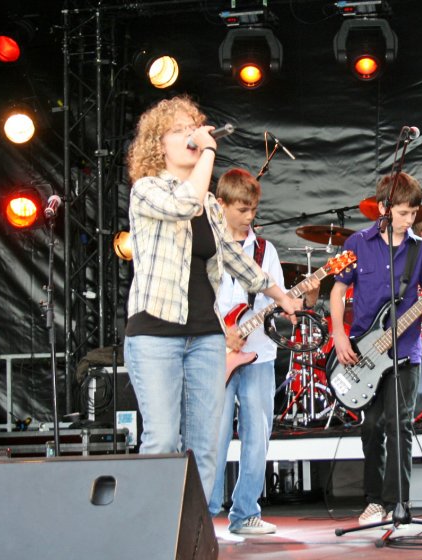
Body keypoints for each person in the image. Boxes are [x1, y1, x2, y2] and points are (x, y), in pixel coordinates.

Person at [123, 96, 302, 504]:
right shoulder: (146, 190)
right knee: (163, 439)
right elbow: (183, 204)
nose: (192, 136)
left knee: (203, 447)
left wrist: (280, 294)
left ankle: (196, 532)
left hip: (205, 335)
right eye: (180, 131)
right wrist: (207, 150)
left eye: (194, 128)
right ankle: (156, 530)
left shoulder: (208, 204)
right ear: (158, 145)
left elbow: (234, 257)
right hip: (155, 333)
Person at [329, 172, 422, 525]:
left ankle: (398, 504)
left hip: (405, 352)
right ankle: (374, 501)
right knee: (372, 426)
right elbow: (338, 290)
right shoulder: (356, 243)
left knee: (399, 424)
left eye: (413, 213)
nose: (409, 220)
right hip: (364, 350)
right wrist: (339, 335)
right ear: (383, 208)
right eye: (403, 213)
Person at [208, 168, 294, 534]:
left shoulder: (265, 250)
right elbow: (199, 300)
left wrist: (291, 302)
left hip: (259, 352)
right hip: (214, 353)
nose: (249, 217)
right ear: (221, 204)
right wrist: (223, 333)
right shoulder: (206, 245)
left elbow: (274, 298)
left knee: (257, 437)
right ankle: (204, 513)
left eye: (253, 209)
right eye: (242, 209)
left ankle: (245, 513)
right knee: (212, 437)